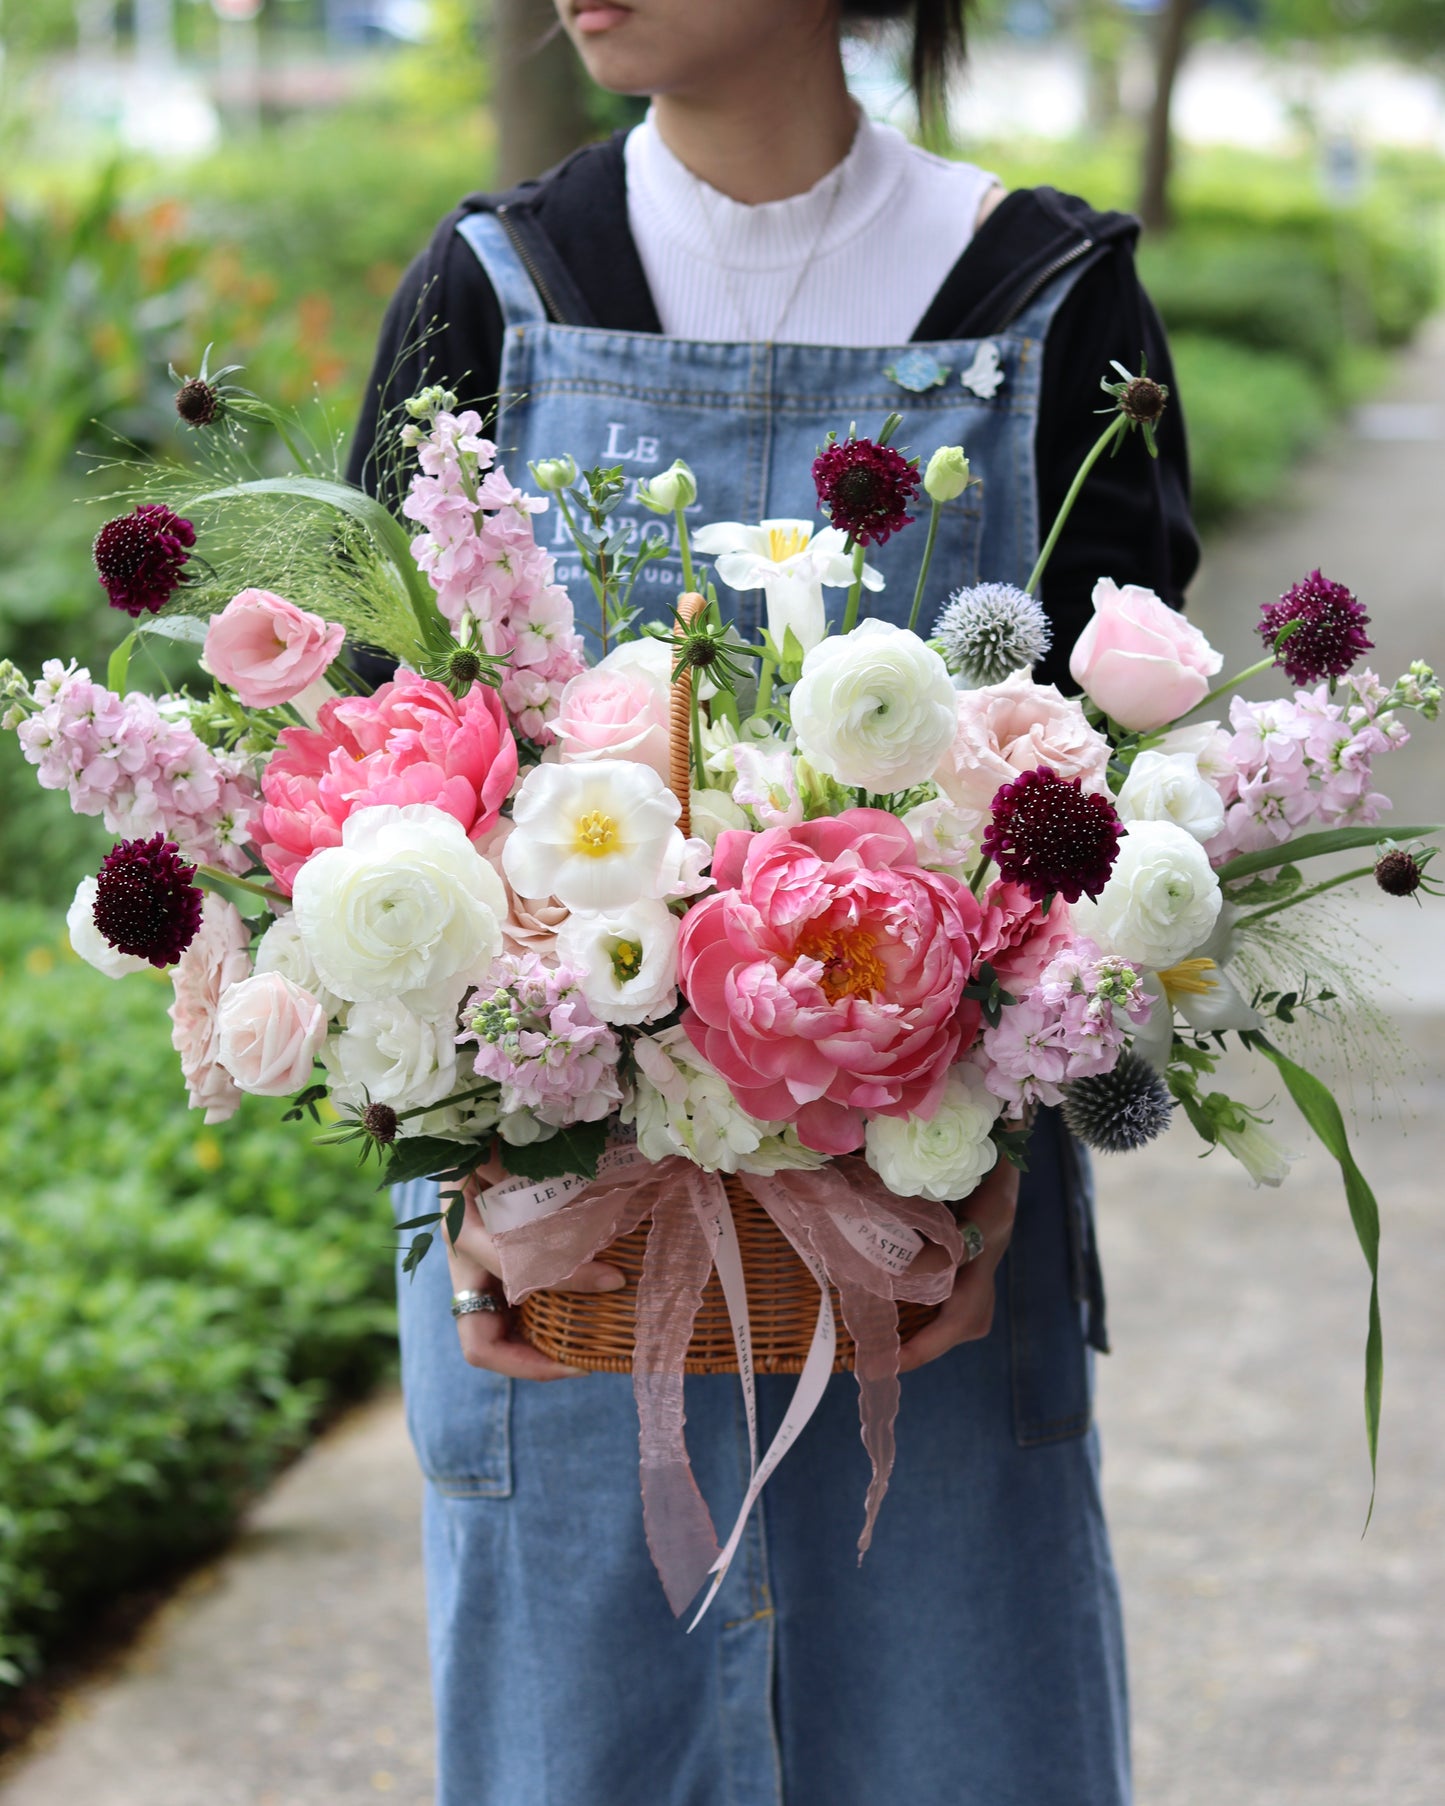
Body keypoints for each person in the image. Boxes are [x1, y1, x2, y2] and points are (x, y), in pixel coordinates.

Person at [349, 4, 1199, 1802]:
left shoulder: (1044, 301)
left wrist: (1001, 1162)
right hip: (556, 1275)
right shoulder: (489, 293)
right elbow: (368, 790)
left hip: (933, 1275)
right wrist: (454, 1170)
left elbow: (1108, 819)